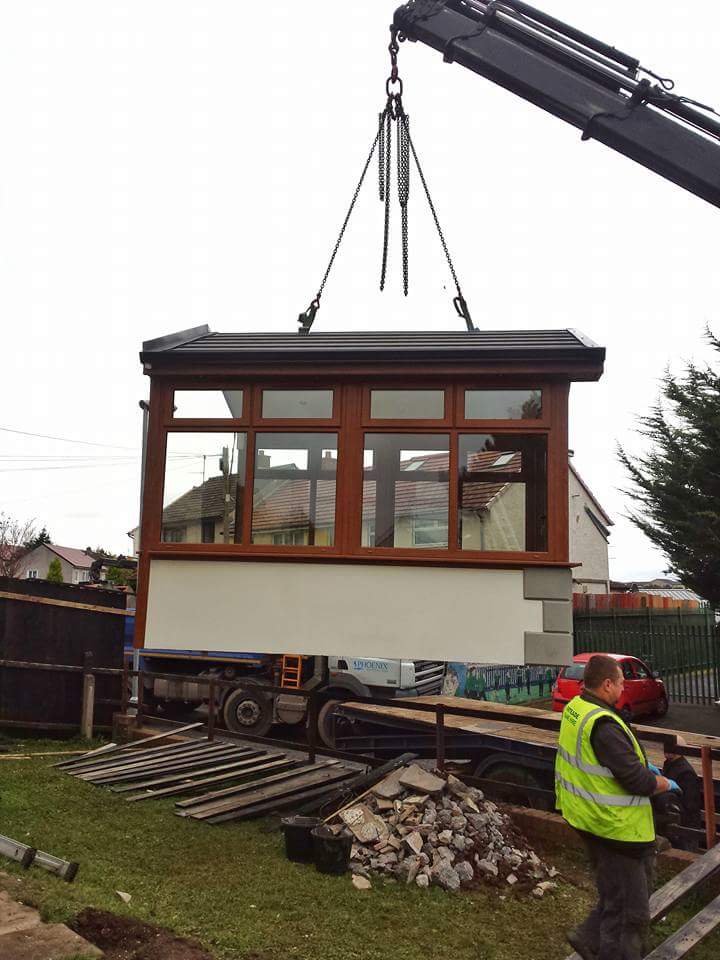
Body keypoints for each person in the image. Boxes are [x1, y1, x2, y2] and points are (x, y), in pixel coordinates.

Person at [555, 654, 681, 960]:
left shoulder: (577, 708)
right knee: (630, 913)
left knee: (617, 894)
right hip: (615, 828)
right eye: (621, 683)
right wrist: (663, 783)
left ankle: (587, 937)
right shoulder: (603, 724)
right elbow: (637, 781)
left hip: (589, 819)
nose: (624, 689)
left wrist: (638, 763)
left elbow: (605, 762)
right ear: (607, 684)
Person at [662, 735, 702, 852]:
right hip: (675, 823)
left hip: (685, 827)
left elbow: (691, 805)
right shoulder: (670, 765)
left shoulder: (685, 772)